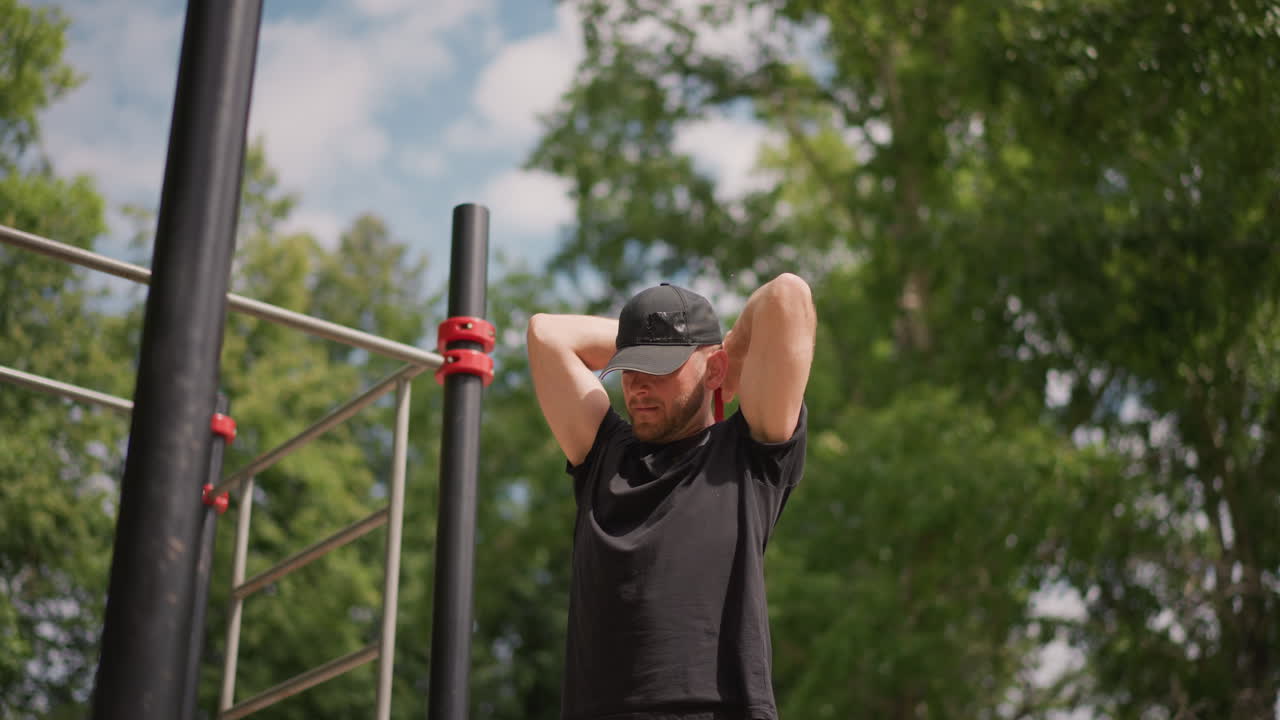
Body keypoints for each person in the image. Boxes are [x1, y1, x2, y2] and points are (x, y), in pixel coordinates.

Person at [526, 273, 817, 720]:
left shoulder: (747, 456)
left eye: (661, 368)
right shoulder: (603, 455)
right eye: (631, 368)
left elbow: (788, 295)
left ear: (714, 370)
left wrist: (730, 354)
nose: (639, 386)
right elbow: (545, 333)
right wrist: (642, 338)